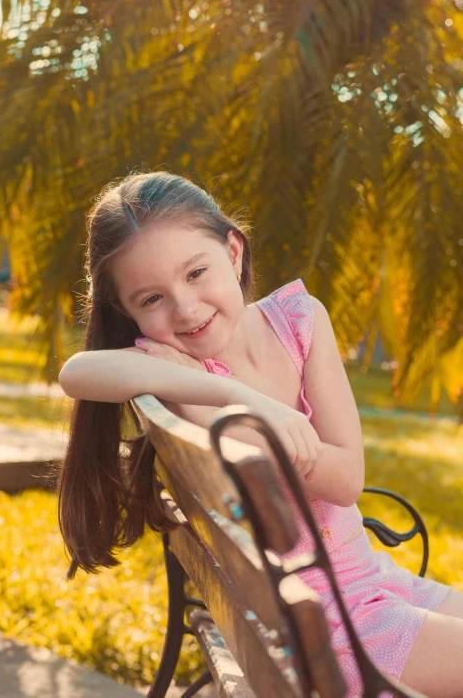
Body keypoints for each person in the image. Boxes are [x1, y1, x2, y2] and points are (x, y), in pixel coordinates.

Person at [58, 171, 463, 698]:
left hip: (370, 589)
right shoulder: (179, 371)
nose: (185, 307)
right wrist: (241, 401)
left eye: (197, 272)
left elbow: (346, 482)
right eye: (151, 299)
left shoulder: (298, 320)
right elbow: (77, 373)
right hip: (324, 629)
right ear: (125, 311)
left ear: (234, 250)